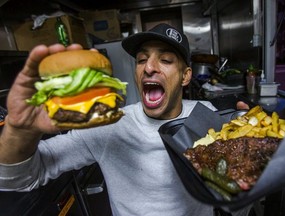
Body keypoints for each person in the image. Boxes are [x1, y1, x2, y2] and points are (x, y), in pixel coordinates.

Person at [0, 23, 250, 215]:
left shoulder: (208, 116)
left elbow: (233, 196)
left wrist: (252, 158)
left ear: (185, 76)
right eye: (141, 59)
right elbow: (22, 178)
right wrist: (20, 130)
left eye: (165, 60)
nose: (149, 67)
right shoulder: (109, 126)